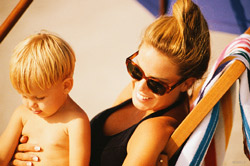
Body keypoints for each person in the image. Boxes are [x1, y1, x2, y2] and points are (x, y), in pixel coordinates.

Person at [9, 0, 210, 165]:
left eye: (157, 84)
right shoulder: (141, 96)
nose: (140, 87)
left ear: (186, 83)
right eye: (136, 70)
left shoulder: (154, 130)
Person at [0, 31, 91, 166]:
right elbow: (2, 157)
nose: (30, 104)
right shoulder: (22, 114)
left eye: (39, 98)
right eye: (24, 96)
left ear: (66, 86)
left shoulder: (75, 122)